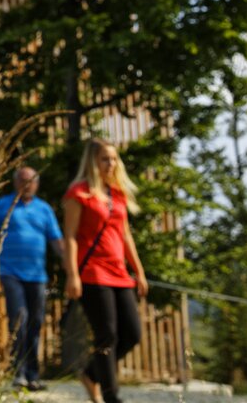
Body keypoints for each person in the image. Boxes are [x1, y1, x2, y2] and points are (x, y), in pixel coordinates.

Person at [62, 139, 148, 403]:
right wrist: (73, 275)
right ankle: (111, 396)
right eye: (104, 159)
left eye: (113, 159)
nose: (110, 164)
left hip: (119, 273)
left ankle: (90, 373)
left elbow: (125, 236)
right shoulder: (79, 193)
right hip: (93, 273)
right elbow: (70, 237)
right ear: (92, 162)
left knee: (132, 334)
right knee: (107, 334)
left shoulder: (117, 194)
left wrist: (139, 272)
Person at [0, 166, 64, 391]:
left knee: (35, 322)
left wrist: (70, 264)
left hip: (37, 275)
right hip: (10, 272)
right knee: (19, 320)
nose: (27, 185)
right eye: (23, 180)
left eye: (32, 181)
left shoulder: (44, 209)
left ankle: (33, 374)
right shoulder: (3, 206)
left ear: (37, 183)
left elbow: (56, 240)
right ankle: (19, 373)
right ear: (15, 182)